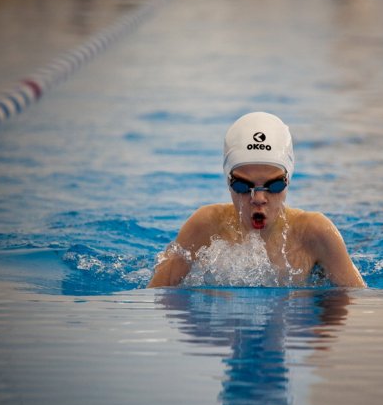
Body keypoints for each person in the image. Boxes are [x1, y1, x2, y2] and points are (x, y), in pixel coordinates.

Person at [147, 112, 366, 288]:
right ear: (228, 181)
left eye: (274, 185)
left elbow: (357, 303)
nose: (258, 198)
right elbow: (156, 296)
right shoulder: (205, 225)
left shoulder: (315, 232)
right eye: (243, 186)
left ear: (288, 179)